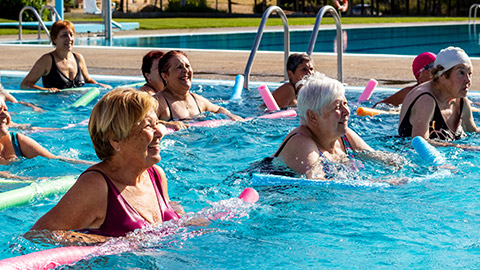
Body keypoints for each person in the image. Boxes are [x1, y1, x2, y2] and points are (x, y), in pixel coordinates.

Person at [28, 88, 183, 243]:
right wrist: (109, 242)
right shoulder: (96, 186)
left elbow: (169, 208)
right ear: (116, 140)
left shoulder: (155, 174)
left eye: (157, 123)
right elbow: (39, 234)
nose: (160, 132)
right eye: (149, 126)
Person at [272, 73, 403, 180]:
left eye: (345, 104)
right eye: (337, 107)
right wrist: (377, 182)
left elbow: (377, 157)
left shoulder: (344, 135)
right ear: (312, 117)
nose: (347, 112)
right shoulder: (301, 142)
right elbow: (316, 182)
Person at [398, 47, 480, 143]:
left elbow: (473, 132)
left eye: (469, 74)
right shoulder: (426, 100)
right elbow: (419, 143)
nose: (468, 80)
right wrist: (465, 148)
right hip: (404, 154)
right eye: (461, 73)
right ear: (443, 75)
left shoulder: (461, 101)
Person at [0, 95, 91, 174]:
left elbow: (54, 159)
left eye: (5, 109)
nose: (4, 114)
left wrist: (94, 165)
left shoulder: (16, 141)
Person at [154, 51, 243, 130]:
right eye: (179, 67)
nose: (185, 70)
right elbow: (143, 121)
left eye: (187, 66)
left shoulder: (197, 100)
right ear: (165, 76)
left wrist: (231, 116)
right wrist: (167, 124)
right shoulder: (158, 102)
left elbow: (218, 109)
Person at [20, 20, 110, 92]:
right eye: (64, 36)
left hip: (79, 108)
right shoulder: (47, 60)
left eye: (71, 35)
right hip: (55, 107)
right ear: (55, 39)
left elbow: (88, 81)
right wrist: (45, 90)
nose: (69, 39)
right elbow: (25, 84)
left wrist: (99, 85)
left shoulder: (78, 58)